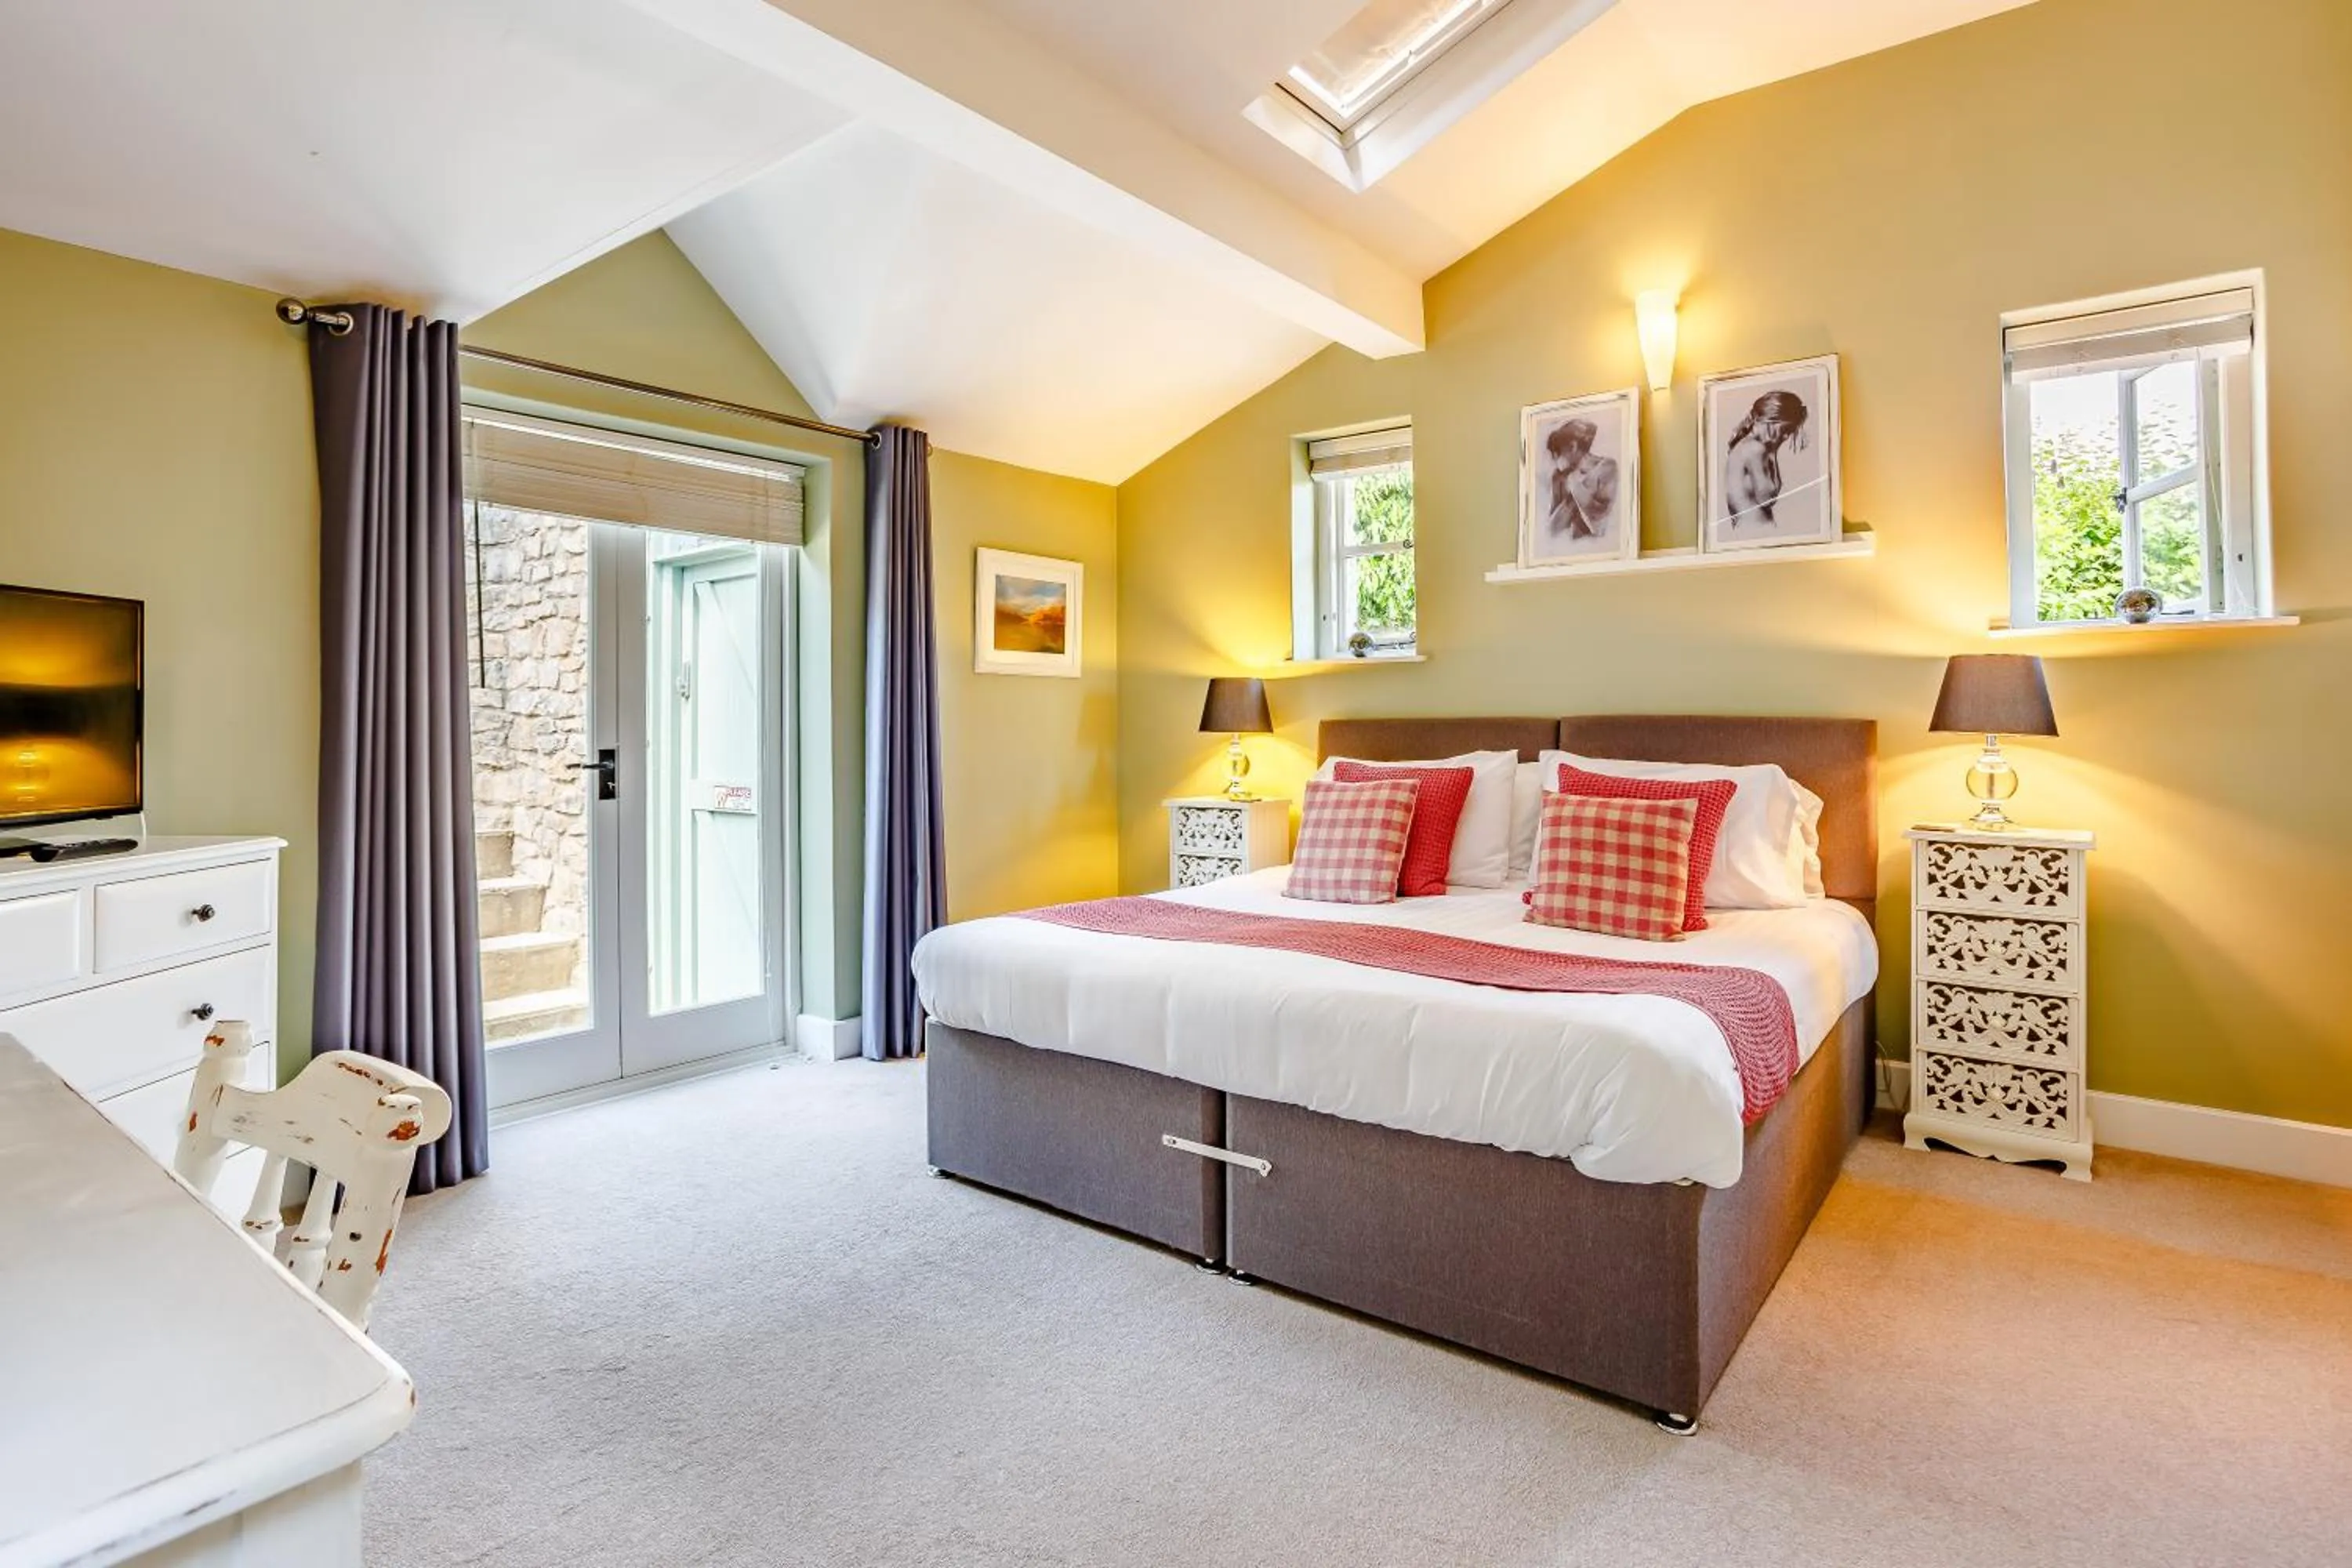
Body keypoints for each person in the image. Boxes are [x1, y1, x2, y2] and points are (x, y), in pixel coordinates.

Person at [1719, 390, 1809, 532]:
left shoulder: (1743, 445)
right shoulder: (1755, 449)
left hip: (1745, 529)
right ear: (1771, 420)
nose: (1785, 437)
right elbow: (1767, 497)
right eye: (1786, 429)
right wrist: (1773, 452)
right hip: (1756, 529)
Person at [1543, 417, 1619, 545]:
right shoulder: (1560, 477)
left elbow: (1600, 517)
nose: (1555, 463)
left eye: (1557, 456)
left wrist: (1574, 484)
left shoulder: (1607, 467)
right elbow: (1552, 529)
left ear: (1573, 447)